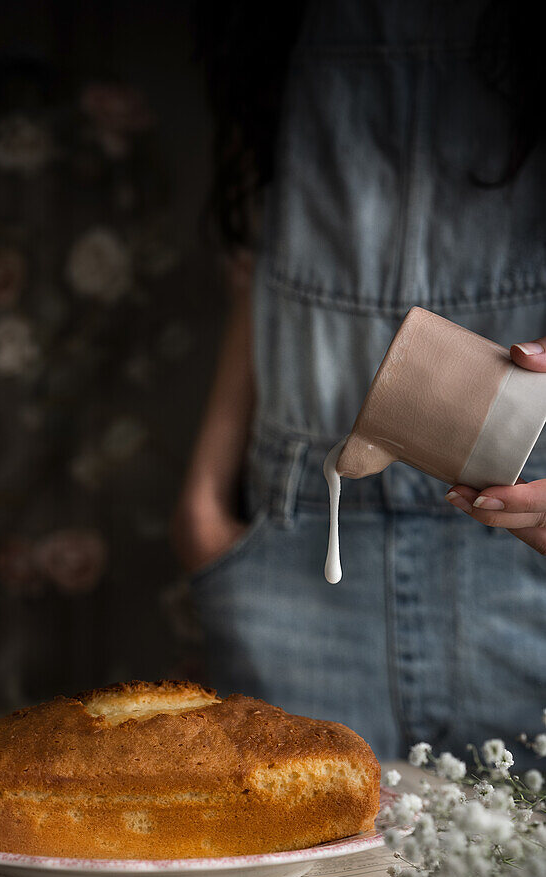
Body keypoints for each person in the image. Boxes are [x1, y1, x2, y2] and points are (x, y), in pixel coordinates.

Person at [173, 0, 546, 761]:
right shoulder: (280, 25)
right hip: (297, 546)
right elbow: (254, 245)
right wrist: (203, 506)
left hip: (525, 544)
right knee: (299, 875)